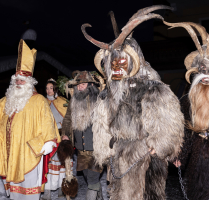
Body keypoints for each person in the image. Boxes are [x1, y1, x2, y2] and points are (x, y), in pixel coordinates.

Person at [81, 5, 184, 200]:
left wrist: (159, 145)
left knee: (142, 194)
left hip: (143, 153)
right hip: (119, 153)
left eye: (122, 62)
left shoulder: (151, 87)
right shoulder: (109, 93)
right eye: (113, 63)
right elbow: (103, 121)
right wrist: (106, 147)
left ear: (132, 61)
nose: (117, 68)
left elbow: (165, 117)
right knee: (120, 193)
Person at [0, 39, 61, 200]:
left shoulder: (39, 101)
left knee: (29, 192)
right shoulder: (9, 99)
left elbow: (47, 122)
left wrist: (48, 142)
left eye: (22, 80)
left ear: (29, 83)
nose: (18, 83)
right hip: (12, 153)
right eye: (16, 80)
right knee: (15, 193)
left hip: (30, 152)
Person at [165, 21, 209, 200]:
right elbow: (186, 132)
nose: (205, 76)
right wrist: (180, 156)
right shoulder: (187, 102)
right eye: (201, 70)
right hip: (198, 159)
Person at [62, 71, 104, 200]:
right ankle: (99, 197)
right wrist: (65, 134)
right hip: (80, 148)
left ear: (91, 85)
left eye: (83, 84)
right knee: (87, 176)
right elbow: (68, 118)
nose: (80, 87)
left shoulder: (99, 100)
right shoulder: (73, 100)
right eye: (79, 84)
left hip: (96, 148)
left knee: (92, 177)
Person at [41, 78, 71, 200]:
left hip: (62, 138)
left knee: (62, 165)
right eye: (47, 88)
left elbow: (68, 120)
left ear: (55, 89)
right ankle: (47, 193)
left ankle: (61, 191)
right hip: (49, 138)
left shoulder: (63, 101)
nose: (49, 90)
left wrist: (61, 127)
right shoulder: (42, 103)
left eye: (51, 88)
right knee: (48, 166)